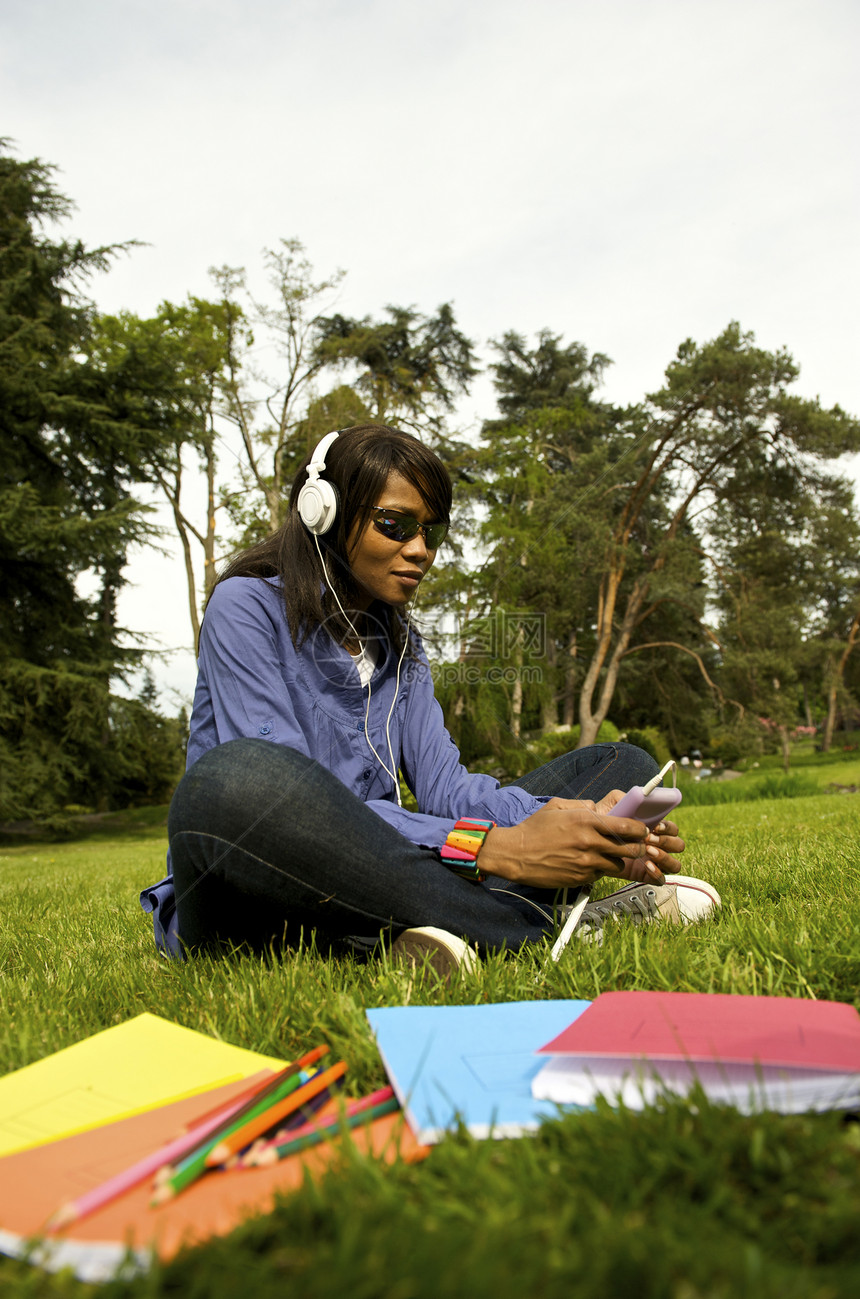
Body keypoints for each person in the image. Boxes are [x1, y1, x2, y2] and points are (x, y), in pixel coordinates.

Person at [141, 424, 720, 972]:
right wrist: (500, 850)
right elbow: (286, 801)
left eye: (431, 532)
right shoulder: (245, 607)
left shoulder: (401, 642)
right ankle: (546, 921)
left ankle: (423, 930)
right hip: (253, 893)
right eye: (396, 525)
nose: (420, 549)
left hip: (383, 869)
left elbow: (447, 788)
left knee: (622, 766)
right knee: (238, 781)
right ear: (324, 514)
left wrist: (578, 823)